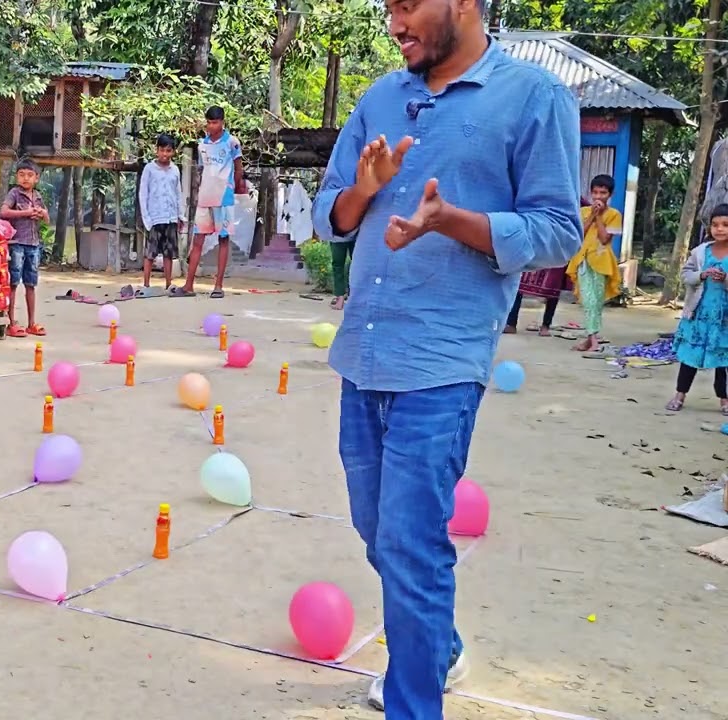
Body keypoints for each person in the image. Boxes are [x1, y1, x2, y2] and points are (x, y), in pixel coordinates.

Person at [310, 2, 581, 716]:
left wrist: (451, 220)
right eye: (388, 9)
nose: (394, 22)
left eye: (407, 5)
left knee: (410, 539)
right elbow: (329, 215)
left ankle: (414, 700)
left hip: (444, 361)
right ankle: (442, 648)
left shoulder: (534, 96)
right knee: (379, 532)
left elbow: (557, 232)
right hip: (362, 352)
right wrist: (364, 190)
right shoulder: (378, 98)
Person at [173, 106, 245, 299]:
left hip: (224, 197)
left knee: (223, 239)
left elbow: (238, 168)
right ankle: (188, 286)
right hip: (205, 197)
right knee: (198, 240)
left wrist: (235, 188)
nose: (211, 126)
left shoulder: (232, 142)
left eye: (215, 122)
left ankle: (218, 286)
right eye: (209, 122)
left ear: (222, 122)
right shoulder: (202, 144)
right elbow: (203, 170)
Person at [667, 204, 728, 413]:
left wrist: (725, 279)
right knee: (689, 357)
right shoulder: (701, 252)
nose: (719, 229)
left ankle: (725, 400)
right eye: (715, 225)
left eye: (725, 225)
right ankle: (679, 395)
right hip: (698, 316)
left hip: (723, 319)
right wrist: (701, 275)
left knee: (724, 361)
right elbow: (686, 274)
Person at [565, 174, 623, 352]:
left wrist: (599, 217)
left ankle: (590, 339)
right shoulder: (583, 212)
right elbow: (578, 235)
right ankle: (593, 340)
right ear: (590, 193)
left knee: (596, 302)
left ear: (610, 195)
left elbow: (605, 239)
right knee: (588, 301)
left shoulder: (614, 215)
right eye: (595, 193)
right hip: (583, 260)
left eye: (603, 193)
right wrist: (592, 215)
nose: (598, 196)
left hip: (602, 262)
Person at [0, 159, 48, 337]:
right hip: (17, 244)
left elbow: (47, 219)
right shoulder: (14, 193)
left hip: (33, 245)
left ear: (37, 178)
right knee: (13, 284)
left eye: (29, 175)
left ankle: (31, 323)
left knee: (31, 284)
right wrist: (25, 213)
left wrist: (42, 213)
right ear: (16, 177)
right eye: (21, 175)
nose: (25, 178)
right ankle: (11, 323)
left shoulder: (38, 196)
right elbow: (3, 212)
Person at [138, 133, 184, 294]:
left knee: (168, 252)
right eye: (162, 150)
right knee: (150, 252)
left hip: (170, 217)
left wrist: (181, 215)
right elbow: (143, 193)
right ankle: (146, 284)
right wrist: (146, 218)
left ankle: (169, 283)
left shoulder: (175, 170)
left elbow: (178, 193)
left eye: (168, 151)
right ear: (156, 150)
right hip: (154, 217)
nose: (165, 154)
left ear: (173, 152)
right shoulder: (149, 169)